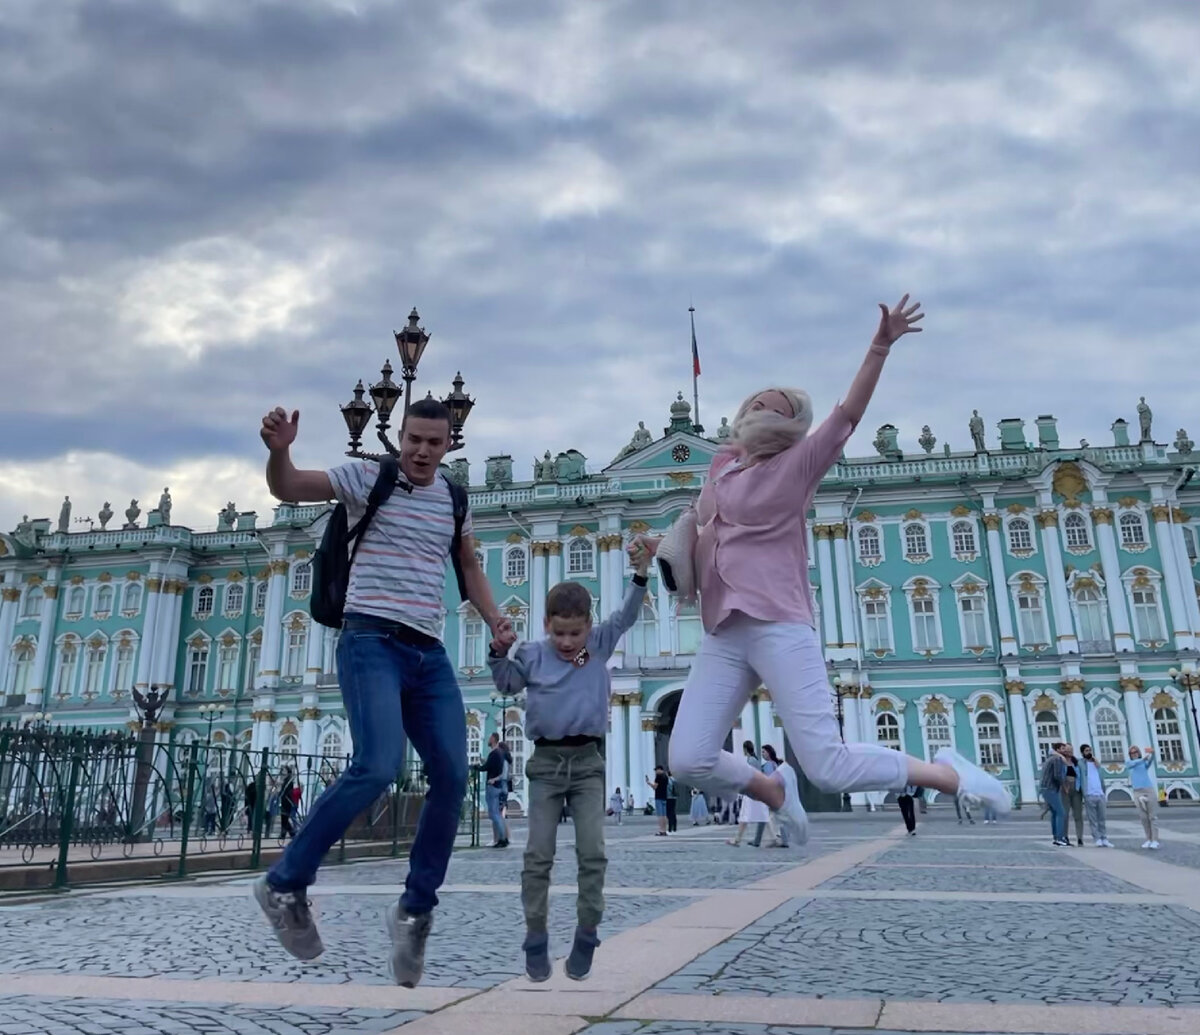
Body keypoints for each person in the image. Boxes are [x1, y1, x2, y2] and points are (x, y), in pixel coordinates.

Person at [636, 296, 1008, 834]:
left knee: (828, 766)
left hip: (780, 625)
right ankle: (769, 788)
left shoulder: (797, 465)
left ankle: (948, 775)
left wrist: (880, 346)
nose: (756, 411)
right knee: (689, 758)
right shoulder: (720, 468)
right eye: (753, 404)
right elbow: (700, 532)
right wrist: (656, 546)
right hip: (724, 631)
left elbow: (848, 416)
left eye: (773, 407)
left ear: (790, 427)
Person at [252, 397, 510, 987]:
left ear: (449, 445)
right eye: (414, 440)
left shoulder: (454, 497)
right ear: (398, 436)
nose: (422, 451)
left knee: (452, 775)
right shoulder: (368, 476)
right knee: (376, 765)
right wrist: (279, 451)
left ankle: (415, 910)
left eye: (434, 442)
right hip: (369, 639)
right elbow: (290, 487)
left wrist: (494, 618)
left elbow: (468, 567)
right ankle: (285, 883)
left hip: (429, 653)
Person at [488, 538, 648, 982]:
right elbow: (506, 685)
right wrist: (499, 652)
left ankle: (587, 931)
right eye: (558, 632)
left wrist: (640, 575)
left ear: (587, 627)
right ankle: (535, 935)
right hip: (545, 765)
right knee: (538, 854)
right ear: (547, 624)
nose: (565, 641)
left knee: (592, 852)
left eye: (574, 633)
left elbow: (627, 616)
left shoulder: (593, 649)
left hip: (587, 764)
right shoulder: (535, 654)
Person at [1127, 745, 1160, 849]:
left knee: (1152, 816)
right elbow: (1133, 763)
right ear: (1130, 755)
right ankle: (1148, 839)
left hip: (1148, 790)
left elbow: (1150, 762)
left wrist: (1152, 753)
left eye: (1136, 751)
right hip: (1137, 792)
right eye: (1132, 753)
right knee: (1143, 817)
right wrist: (1142, 759)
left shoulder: (1143, 763)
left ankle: (1155, 840)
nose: (1134, 753)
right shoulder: (1130, 763)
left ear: (1139, 752)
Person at [1078, 744, 1111, 847]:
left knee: (1102, 818)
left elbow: (1101, 775)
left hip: (1100, 793)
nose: (1089, 752)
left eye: (1090, 750)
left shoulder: (1096, 764)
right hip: (1089, 794)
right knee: (1093, 819)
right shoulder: (1081, 763)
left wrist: (1096, 761)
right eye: (1087, 751)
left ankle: (1104, 838)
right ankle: (1097, 838)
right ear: (1083, 753)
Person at [483, 733, 509, 848]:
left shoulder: (496, 753)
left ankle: (502, 839)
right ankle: (502, 838)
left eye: (489, 738)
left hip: (495, 786)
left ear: (493, 739)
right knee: (497, 814)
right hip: (500, 786)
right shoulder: (500, 755)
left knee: (495, 814)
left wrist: (493, 779)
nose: (488, 740)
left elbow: (502, 774)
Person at [1040, 743, 1069, 846]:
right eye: (1063, 749)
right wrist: (1064, 785)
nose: (1065, 750)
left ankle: (1056, 837)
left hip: (1045, 788)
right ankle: (1059, 838)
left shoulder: (1050, 759)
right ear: (1057, 749)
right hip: (1051, 788)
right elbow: (1057, 775)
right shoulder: (1057, 759)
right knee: (1061, 812)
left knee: (1055, 813)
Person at [759, 745, 788, 848]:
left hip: (771, 793)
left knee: (769, 817)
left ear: (769, 752)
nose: (762, 754)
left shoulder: (768, 765)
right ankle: (782, 838)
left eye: (763, 752)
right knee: (776, 816)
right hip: (778, 793)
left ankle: (774, 838)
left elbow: (769, 780)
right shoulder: (776, 764)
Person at [1058, 743, 1085, 846]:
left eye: (1071, 750)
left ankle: (1080, 838)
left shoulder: (1077, 762)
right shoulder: (1060, 761)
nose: (1069, 752)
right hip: (1064, 790)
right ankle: (1065, 836)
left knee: (1078, 815)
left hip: (1076, 790)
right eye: (1067, 750)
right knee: (1065, 814)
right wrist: (1063, 785)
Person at [647, 766, 669, 835]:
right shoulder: (666, 777)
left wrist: (649, 783)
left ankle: (661, 830)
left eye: (656, 770)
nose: (656, 772)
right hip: (664, 797)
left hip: (659, 797)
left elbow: (655, 787)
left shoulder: (658, 777)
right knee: (664, 815)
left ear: (659, 770)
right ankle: (664, 830)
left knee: (660, 815)